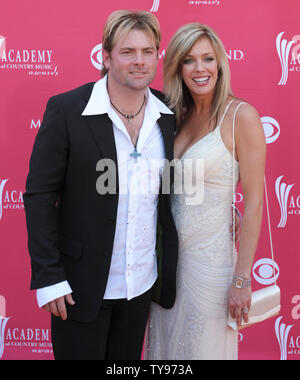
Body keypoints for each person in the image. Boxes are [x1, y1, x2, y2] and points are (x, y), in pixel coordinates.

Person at [23, 10, 179, 360]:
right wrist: (48, 276)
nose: (139, 61)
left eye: (148, 51)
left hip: (141, 285)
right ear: (106, 57)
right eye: (127, 52)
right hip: (80, 287)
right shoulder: (67, 110)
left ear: (157, 55)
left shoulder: (168, 113)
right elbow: (39, 196)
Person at [146, 23, 266, 360]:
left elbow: (256, 201)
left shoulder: (241, 116)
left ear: (220, 64)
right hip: (165, 269)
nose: (200, 69)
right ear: (177, 68)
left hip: (210, 272)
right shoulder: (173, 115)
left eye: (208, 59)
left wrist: (242, 279)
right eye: (189, 60)